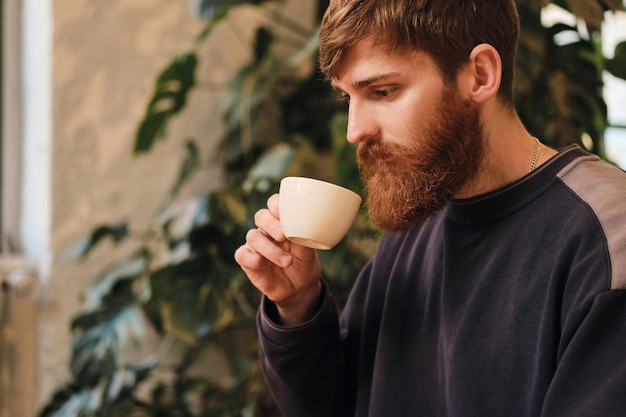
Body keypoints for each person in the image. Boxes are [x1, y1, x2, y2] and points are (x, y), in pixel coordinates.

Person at [234, 0, 626, 416]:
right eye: (346, 97)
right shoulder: (420, 214)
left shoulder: (605, 240)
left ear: (480, 75)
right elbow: (336, 404)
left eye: (382, 91)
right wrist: (297, 305)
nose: (354, 131)